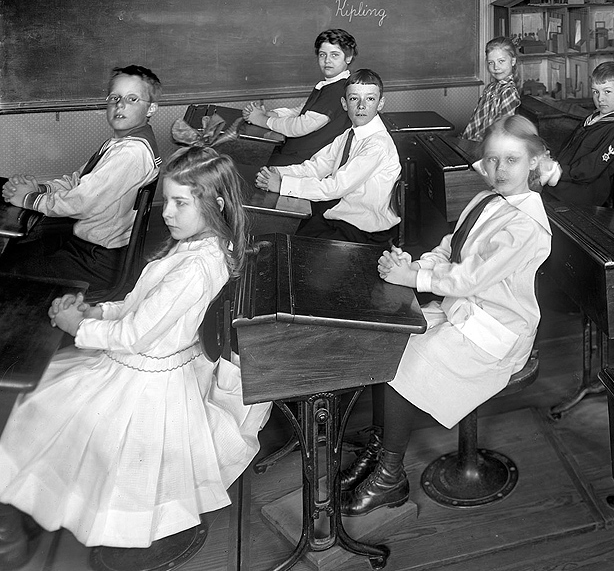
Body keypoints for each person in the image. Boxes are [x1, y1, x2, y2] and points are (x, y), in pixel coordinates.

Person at [0, 144, 270, 553]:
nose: (166, 212)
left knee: (40, 404)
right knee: (47, 398)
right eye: (167, 200)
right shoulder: (196, 244)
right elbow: (136, 305)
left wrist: (80, 327)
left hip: (148, 379)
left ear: (215, 203)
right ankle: (32, 502)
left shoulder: (197, 267)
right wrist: (94, 310)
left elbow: (135, 335)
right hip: (145, 361)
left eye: (180, 203)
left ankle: (25, 519)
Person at [340, 115, 555, 516]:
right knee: (386, 346)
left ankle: (390, 476)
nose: (499, 170)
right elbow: (449, 247)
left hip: (496, 331)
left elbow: (471, 277)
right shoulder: (486, 198)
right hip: (460, 310)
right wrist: (415, 263)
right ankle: (378, 451)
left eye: (511, 160)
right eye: (491, 160)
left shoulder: (527, 225)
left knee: (404, 366)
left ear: (534, 163)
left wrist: (416, 277)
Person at [0, 65, 162, 289]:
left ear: (151, 108)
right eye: (114, 97)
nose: (120, 105)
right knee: (20, 252)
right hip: (88, 248)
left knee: (9, 271)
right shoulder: (120, 144)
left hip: (98, 261)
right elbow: (77, 181)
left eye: (132, 99)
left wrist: (29, 199)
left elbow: (82, 202)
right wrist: (39, 189)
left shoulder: (130, 153)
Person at [255, 69, 400, 245]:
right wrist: (277, 172)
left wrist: (283, 185)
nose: (361, 105)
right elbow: (316, 166)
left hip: (364, 230)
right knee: (281, 235)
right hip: (339, 215)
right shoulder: (349, 134)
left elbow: (336, 187)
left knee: (294, 247)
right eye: (354, 98)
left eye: (370, 99)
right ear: (344, 103)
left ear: (380, 103)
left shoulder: (377, 145)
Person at [243, 28, 357, 166]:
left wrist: (261, 119)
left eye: (334, 55)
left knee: (249, 164)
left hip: (307, 161)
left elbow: (301, 126)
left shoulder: (339, 89)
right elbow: (299, 111)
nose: (327, 60)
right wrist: (269, 113)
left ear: (348, 58)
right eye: (322, 55)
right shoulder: (329, 84)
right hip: (296, 151)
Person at [545, 61, 614, 207]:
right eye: (595, 91)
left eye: (607, 91)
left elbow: (591, 167)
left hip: (582, 193)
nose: (600, 98)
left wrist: (559, 172)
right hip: (564, 182)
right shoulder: (592, 118)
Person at [462, 37, 521, 142]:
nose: (496, 67)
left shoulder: (508, 92)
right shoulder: (490, 88)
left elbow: (502, 131)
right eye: (490, 62)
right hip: (472, 142)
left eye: (501, 61)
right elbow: (475, 121)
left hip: (486, 146)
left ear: (513, 61)